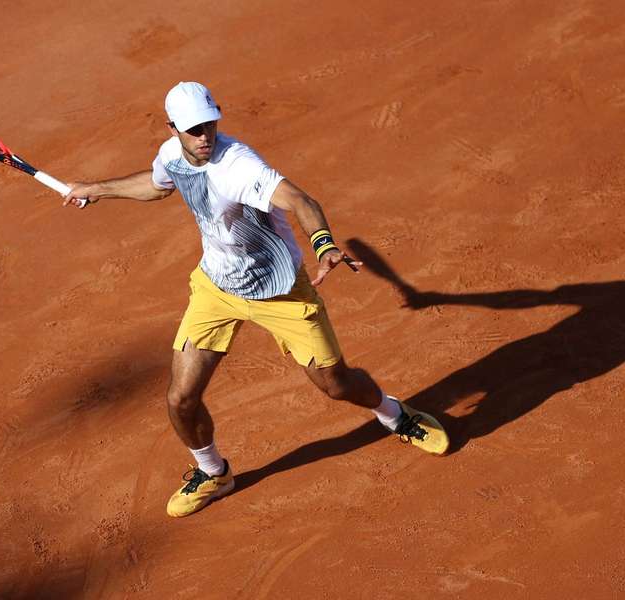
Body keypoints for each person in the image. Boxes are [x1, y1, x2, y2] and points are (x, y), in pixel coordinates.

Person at [64, 82, 449, 517]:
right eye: (192, 130)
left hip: (281, 291)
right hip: (216, 289)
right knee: (180, 399)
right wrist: (94, 188)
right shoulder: (171, 155)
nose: (204, 136)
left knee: (336, 385)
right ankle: (214, 473)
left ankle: (394, 414)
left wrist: (323, 245)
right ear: (172, 130)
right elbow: (157, 186)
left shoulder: (239, 166)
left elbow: (301, 200)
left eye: (209, 124)